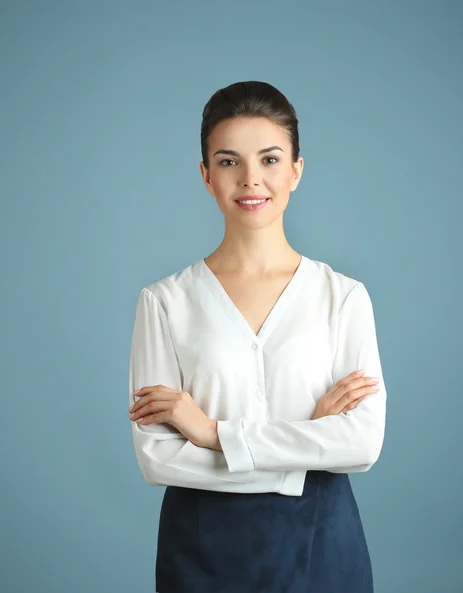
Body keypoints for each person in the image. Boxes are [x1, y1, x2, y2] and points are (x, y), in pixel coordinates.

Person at [128, 80, 387, 593]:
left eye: (269, 159)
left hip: (322, 545)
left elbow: (361, 443)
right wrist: (308, 444)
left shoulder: (343, 297)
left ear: (296, 170)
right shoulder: (164, 302)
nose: (251, 180)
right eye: (229, 162)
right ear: (206, 176)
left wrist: (211, 434)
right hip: (202, 554)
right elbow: (157, 458)